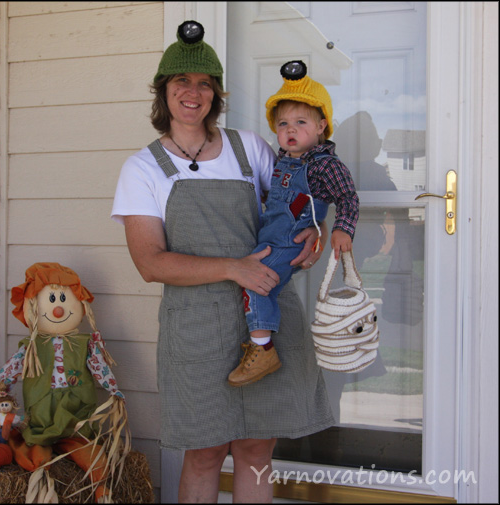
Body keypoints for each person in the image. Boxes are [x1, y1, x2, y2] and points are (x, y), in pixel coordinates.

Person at [111, 21, 334, 503]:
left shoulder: (249, 148)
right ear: (163, 93)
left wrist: (312, 230)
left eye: (204, 84)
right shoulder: (143, 168)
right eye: (182, 83)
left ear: (215, 93)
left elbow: (292, 205)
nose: (194, 93)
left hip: (265, 321)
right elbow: (150, 262)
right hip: (196, 330)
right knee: (206, 453)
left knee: (256, 449)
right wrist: (235, 268)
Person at [228, 60, 359, 387]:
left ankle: (263, 349)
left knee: (256, 282)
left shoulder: (324, 165)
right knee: (259, 285)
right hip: (271, 237)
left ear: (321, 127)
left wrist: (341, 228)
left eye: (301, 122)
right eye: (283, 122)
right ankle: (262, 341)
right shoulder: (283, 160)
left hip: (288, 243)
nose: (289, 129)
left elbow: (348, 198)